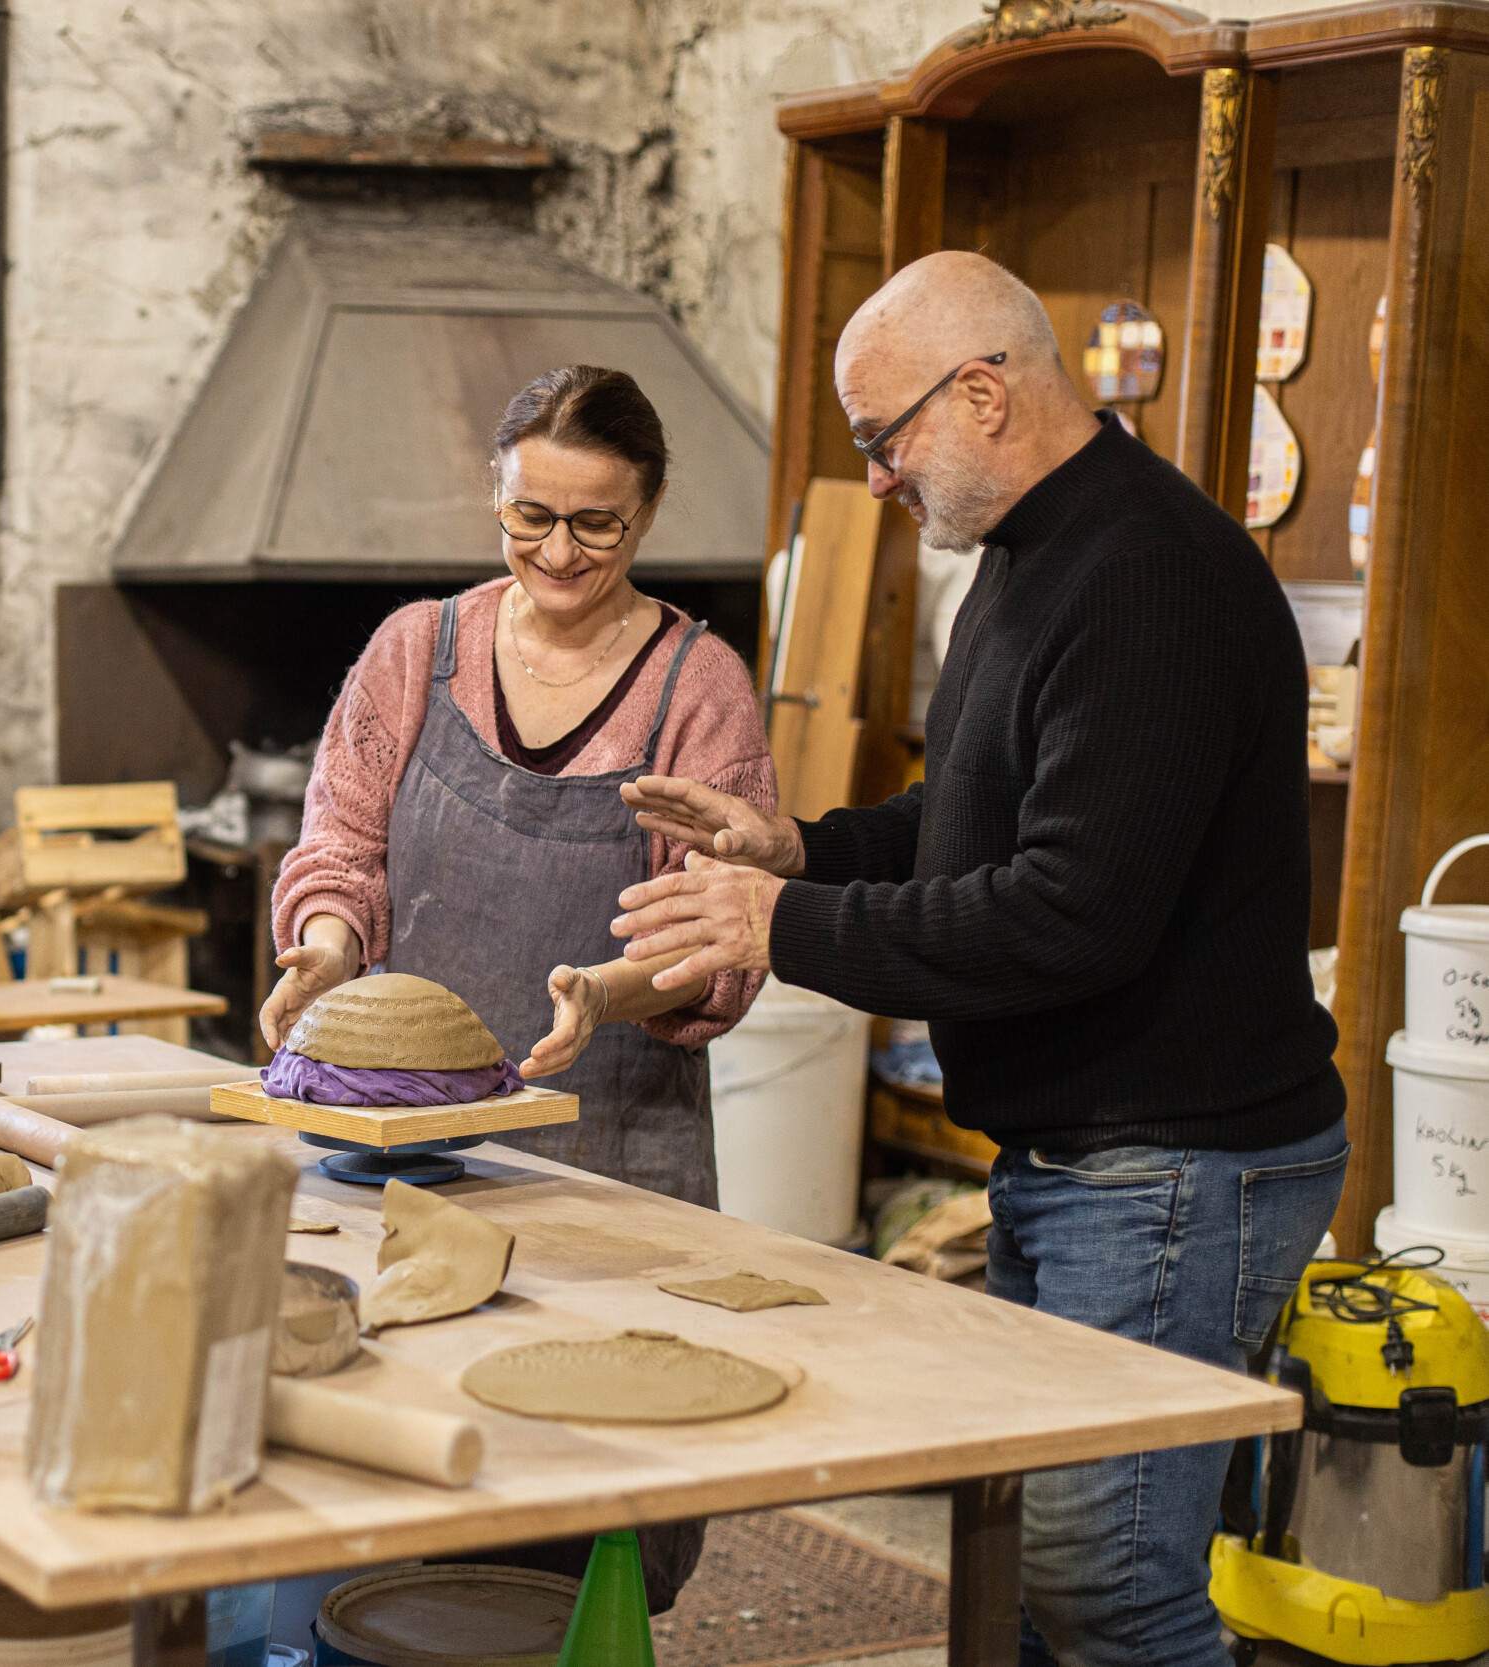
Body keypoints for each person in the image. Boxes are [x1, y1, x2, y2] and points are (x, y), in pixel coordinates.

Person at [616, 251, 1346, 1667]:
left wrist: (784, 928)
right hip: (1091, 1156)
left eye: (885, 440)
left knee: (1107, 1589)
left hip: (1173, 1164)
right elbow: (965, 821)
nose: (877, 481)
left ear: (987, 393)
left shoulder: (1146, 576)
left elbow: (1069, 911)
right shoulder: (1030, 560)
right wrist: (793, 849)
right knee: (1030, 1565)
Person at [265, 363, 774, 1608]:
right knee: (410, 1480)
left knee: (593, 1500)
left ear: (646, 512)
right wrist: (326, 950)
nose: (558, 548)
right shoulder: (414, 650)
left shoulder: (694, 688)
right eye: (528, 517)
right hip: (407, 1154)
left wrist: (606, 991)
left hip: (615, 1149)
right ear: (495, 499)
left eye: (595, 522)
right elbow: (339, 845)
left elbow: (718, 927)